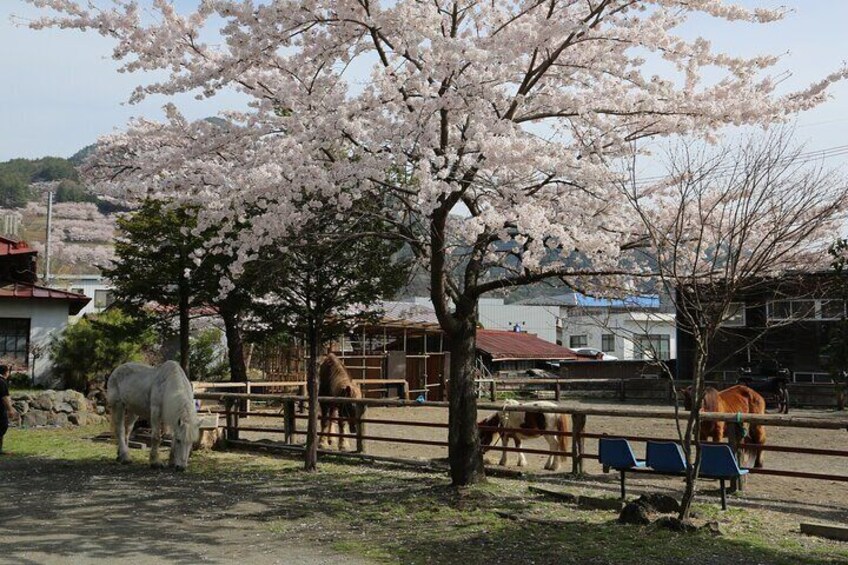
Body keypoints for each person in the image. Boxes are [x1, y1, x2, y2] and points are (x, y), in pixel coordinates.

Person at [0, 365, 20, 455]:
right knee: (2, 427)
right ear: (6, 372)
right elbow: (4, 397)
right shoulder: (2, 382)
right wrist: (10, 410)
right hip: (0, 409)